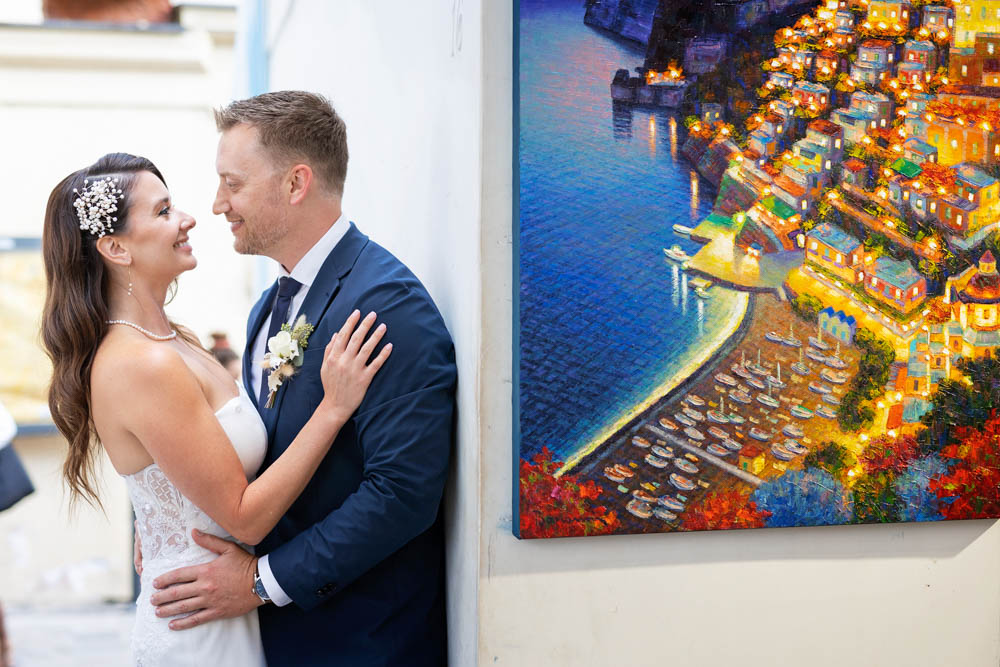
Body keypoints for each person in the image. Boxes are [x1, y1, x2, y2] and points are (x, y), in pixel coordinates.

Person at [40, 152, 392, 666]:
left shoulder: (172, 339)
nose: (187, 219)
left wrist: (159, 519)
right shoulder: (143, 364)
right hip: (196, 624)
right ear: (115, 248)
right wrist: (333, 408)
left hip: (223, 603)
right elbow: (245, 518)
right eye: (162, 213)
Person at [147, 91, 457, 665]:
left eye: (232, 183)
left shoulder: (386, 303)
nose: (218, 204)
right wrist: (175, 529)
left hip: (363, 640)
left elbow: (402, 494)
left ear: (295, 183)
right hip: (281, 639)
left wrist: (261, 582)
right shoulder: (267, 308)